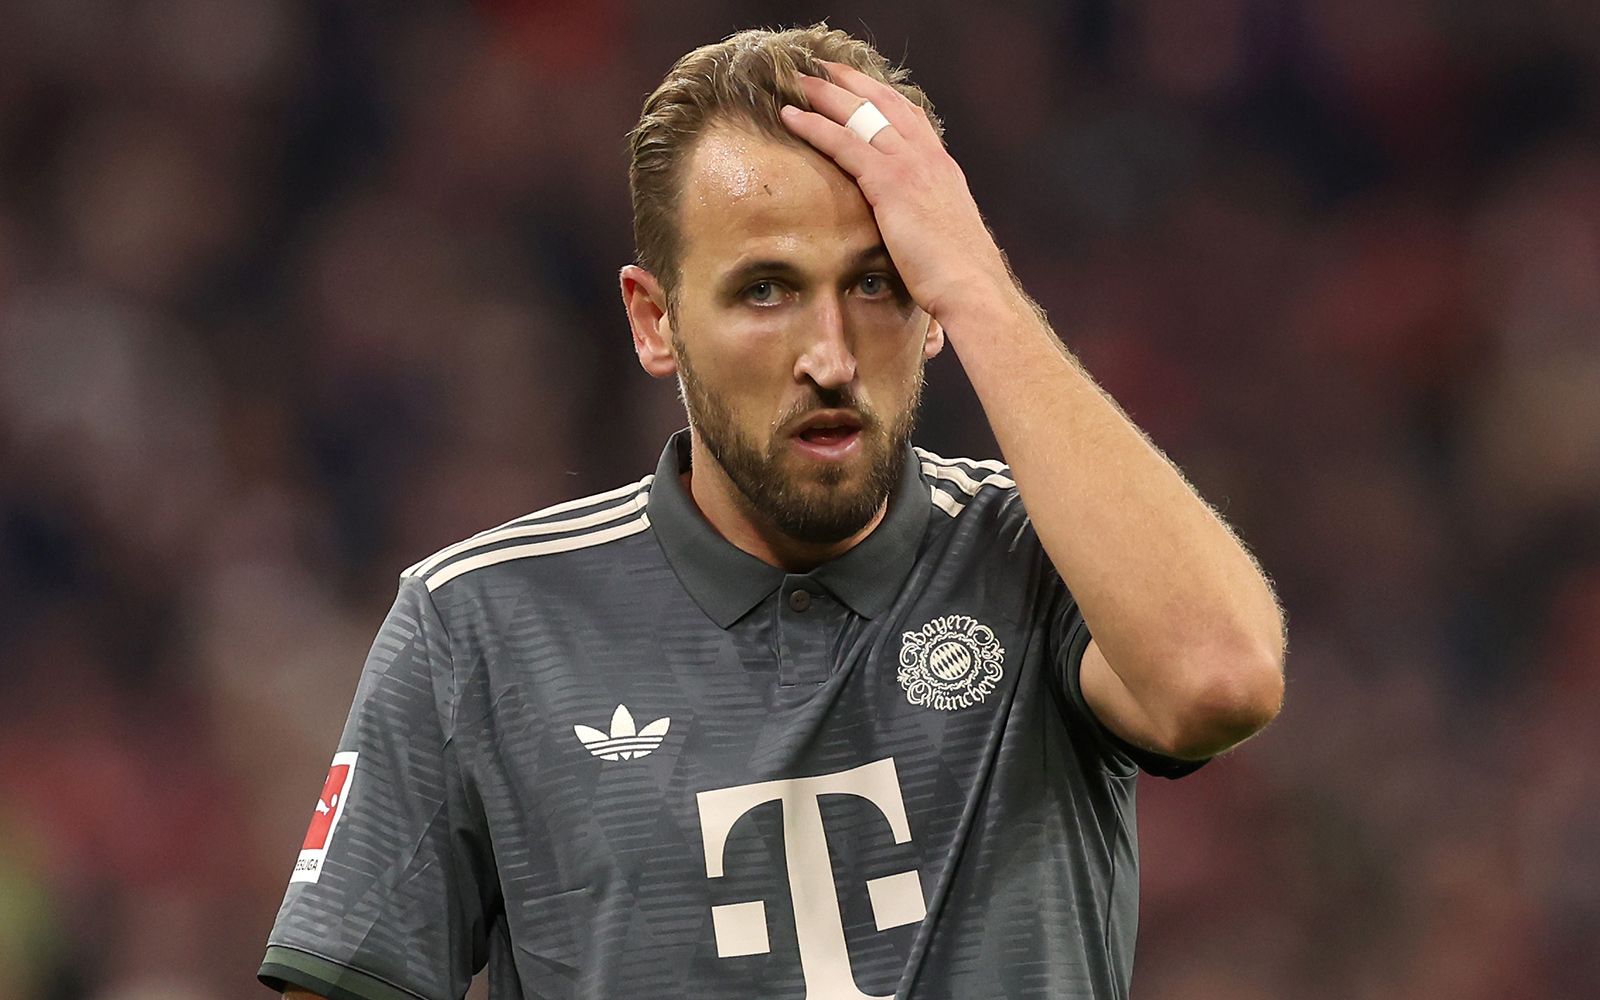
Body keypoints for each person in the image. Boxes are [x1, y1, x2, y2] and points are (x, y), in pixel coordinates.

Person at [259, 24, 1285, 1000]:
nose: (829, 357)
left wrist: (979, 285)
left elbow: (1220, 681)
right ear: (654, 321)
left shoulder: (1043, 556)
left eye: (878, 283)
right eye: (765, 291)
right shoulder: (478, 625)